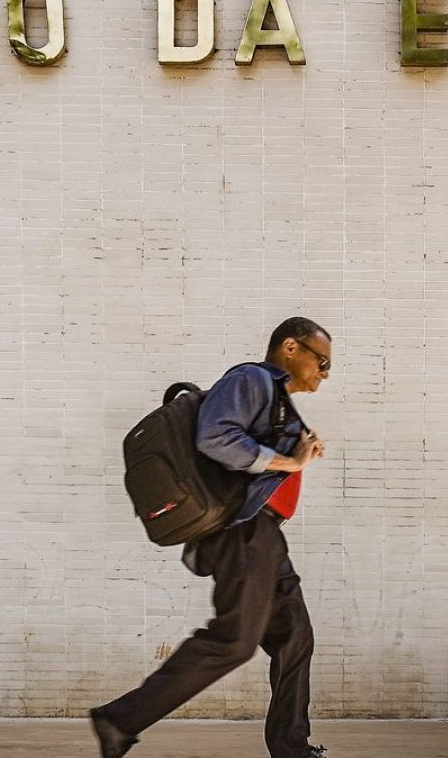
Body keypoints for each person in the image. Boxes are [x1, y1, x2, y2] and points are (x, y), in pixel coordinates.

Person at [91, 317, 333, 758]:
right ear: (292, 348)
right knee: (233, 641)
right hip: (242, 535)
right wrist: (289, 463)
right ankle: (120, 719)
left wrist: (300, 452)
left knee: (296, 635)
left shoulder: (275, 399)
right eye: (322, 360)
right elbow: (214, 437)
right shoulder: (252, 379)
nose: (325, 373)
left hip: (265, 537)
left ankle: (291, 748)